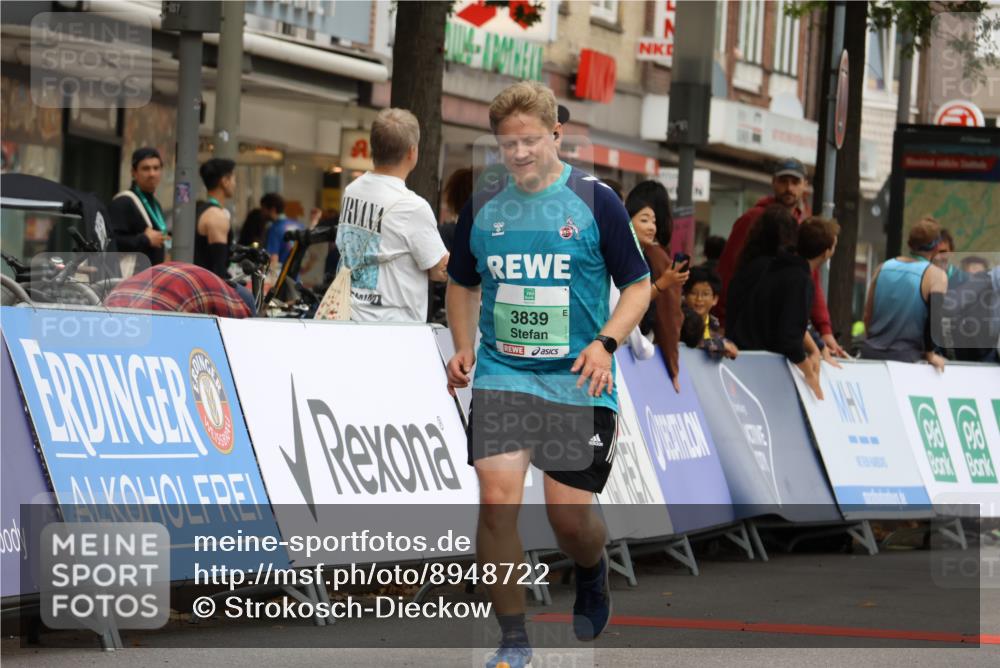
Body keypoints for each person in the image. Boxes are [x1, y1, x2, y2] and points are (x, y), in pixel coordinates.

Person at [445, 81, 650, 668]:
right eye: (507, 145)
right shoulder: (485, 205)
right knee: (497, 502)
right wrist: (463, 346)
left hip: (575, 380)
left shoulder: (594, 201)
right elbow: (462, 282)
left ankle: (591, 568)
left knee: (568, 516)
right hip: (505, 374)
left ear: (556, 134)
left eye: (530, 141)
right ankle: (513, 642)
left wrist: (606, 343)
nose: (518, 154)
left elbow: (637, 285)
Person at [715, 157, 847, 362]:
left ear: (805, 185)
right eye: (783, 181)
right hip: (750, 333)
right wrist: (722, 321)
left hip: (777, 335)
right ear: (774, 183)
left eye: (795, 182)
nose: (789, 188)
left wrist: (825, 331)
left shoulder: (804, 223)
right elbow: (728, 272)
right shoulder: (752, 219)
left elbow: (812, 280)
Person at [335, 108, 449, 322]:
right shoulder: (412, 207)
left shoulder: (352, 190)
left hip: (348, 317)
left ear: (373, 147)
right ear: (412, 152)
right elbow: (438, 270)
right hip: (394, 329)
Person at [728, 217, 838, 399]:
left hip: (744, 354)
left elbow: (791, 321)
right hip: (760, 368)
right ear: (826, 253)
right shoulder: (800, 281)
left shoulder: (779, 266)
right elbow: (790, 337)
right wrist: (810, 375)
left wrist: (815, 349)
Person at [625, 180, 689, 392]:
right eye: (644, 219)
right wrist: (673, 368)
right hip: (625, 351)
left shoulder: (644, 254)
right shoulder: (645, 257)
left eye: (653, 220)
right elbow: (667, 316)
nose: (652, 226)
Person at [860, 217, 948, 370]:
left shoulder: (883, 267)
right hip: (907, 360)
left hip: (870, 354)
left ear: (909, 244)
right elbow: (935, 322)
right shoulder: (936, 276)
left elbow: (867, 315)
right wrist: (930, 354)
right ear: (936, 247)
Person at [104, 261, 253, 318]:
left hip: (110, 313)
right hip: (148, 323)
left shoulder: (201, 277)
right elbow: (238, 336)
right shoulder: (232, 301)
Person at [109, 147, 169, 272]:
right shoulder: (123, 202)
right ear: (133, 173)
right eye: (146, 168)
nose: (152, 173)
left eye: (156, 168)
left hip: (150, 279)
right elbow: (110, 241)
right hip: (131, 282)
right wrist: (145, 239)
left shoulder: (156, 204)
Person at [682, 266, 737, 359]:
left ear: (715, 299)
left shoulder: (713, 323)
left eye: (705, 294)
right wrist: (721, 345)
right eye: (693, 293)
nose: (699, 299)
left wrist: (728, 345)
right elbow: (691, 344)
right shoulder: (680, 319)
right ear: (685, 296)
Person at [194, 158, 236, 279]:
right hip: (208, 286)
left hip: (199, 281)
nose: (234, 184)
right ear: (225, 181)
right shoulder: (217, 216)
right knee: (249, 297)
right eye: (233, 178)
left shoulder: (202, 210)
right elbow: (219, 267)